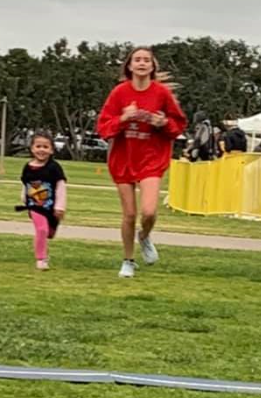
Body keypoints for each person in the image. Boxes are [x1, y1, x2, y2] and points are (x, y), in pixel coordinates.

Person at [97, 46, 188, 278]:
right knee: (129, 214)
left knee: (148, 211)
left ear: (152, 66)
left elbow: (178, 125)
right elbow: (103, 127)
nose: (142, 63)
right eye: (137, 59)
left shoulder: (161, 94)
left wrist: (163, 123)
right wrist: (124, 118)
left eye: (146, 60)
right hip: (123, 158)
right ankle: (128, 260)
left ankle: (145, 236)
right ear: (129, 66)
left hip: (151, 159)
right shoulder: (119, 93)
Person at [19, 133, 67, 271]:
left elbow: (60, 186)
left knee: (49, 233)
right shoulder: (27, 167)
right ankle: (41, 259)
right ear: (32, 148)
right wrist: (24, 198)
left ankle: (43, 248)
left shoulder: (54, 167)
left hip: (51, 207)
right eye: (38, 146)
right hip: (35, 206)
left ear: (51, 150)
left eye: (45, 147)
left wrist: (60, 207)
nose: (41, 150)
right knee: (41, 230)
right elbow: (25, 183)